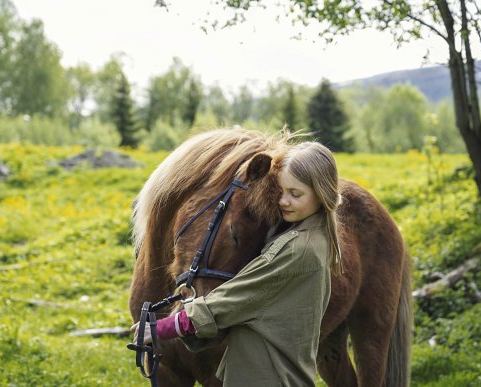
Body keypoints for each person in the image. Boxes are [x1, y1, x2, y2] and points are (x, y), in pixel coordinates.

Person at [132, 141, 343, 386]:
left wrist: (167, 327)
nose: (284, 201)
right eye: (282, 192)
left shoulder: (300, 250)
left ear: (322, 194)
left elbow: (239, 297)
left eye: (295, 194)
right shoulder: (309, 238)